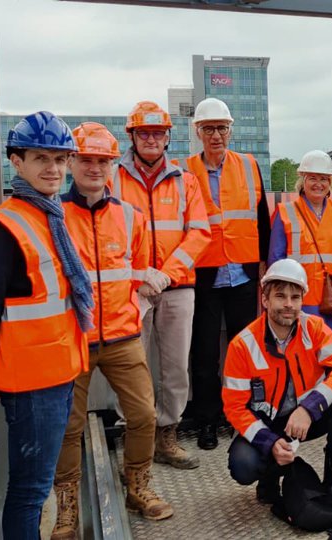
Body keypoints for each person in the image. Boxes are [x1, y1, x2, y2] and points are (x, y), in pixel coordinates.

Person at [0, 111, 91, 539]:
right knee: (30, 490)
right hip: (32, 381)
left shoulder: (47, 215)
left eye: (59, 158)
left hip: (57, 371)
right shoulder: (5, 228)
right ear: (16, 162)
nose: (53, 169)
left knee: (34, 486)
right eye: (41, 158)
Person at [52, 123, 172, 540]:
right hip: (74, 340)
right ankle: (66, 506)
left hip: (122, 336)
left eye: (102, 161)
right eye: (86, 159)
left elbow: (139, 272)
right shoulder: (54, 215)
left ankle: (137, 486)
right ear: (71, 162)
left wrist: (134, 311)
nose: (94, 167)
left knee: (143, 415)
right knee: (68, 426)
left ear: (112, 165)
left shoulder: (128, 215)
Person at [110, 101, 211, 469]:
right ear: (132, 137)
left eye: (157, 133)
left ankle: (167, 434)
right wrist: (139, 275)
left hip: (178, 287)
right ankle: (135, 434)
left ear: (168, 137)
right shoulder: (112, 178)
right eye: (144, 133)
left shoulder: (186, 180)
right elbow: (104, 233)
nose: (151, 140)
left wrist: (166, 272)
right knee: (130, 365)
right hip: (130, 290)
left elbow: (200, 232)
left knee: (174, 366)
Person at [223, 259, 332, 503]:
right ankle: (269, 479)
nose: (288, 304)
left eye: (295, 297)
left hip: (306, 417)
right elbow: (234, 407)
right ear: (265, 300)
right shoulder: (242, 345)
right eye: (280, 296)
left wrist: (309, 409)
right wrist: (270, 442)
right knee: (243, 465)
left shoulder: (314, 328)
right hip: (266, 423)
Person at [178, 98, 272, 451]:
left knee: (244, 350)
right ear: (197, 132)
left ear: (231, 131)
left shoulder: (249, 166)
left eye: (221, 128)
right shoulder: (185, 171)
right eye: (208, 129)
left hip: (244, 276)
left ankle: (242, 417)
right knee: (203, 354)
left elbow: (261, 218)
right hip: (203, 276)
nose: (215, 135)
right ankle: (206, 419)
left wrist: (264, 266)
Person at [269, 150, 332, 346]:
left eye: (324, 179)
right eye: (312, 178)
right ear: (303, 180)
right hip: (299, 299)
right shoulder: (286, 212)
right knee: (302, 355)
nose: (318, 184)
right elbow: (275, 260)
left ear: (331, 183)